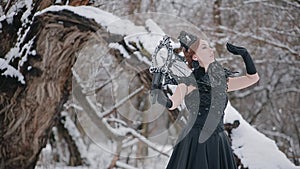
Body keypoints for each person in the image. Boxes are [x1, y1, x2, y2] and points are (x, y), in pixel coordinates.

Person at [151, 31, 260, 169]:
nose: (210, 50)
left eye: (209, 46)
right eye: (204, 47)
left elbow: (253, 78)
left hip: (219, 141)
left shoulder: (222, 81)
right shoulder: (189, 82)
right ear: (195, 57)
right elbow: (172, 104)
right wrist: (157, 89)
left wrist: (245, 54)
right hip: (196, 140)